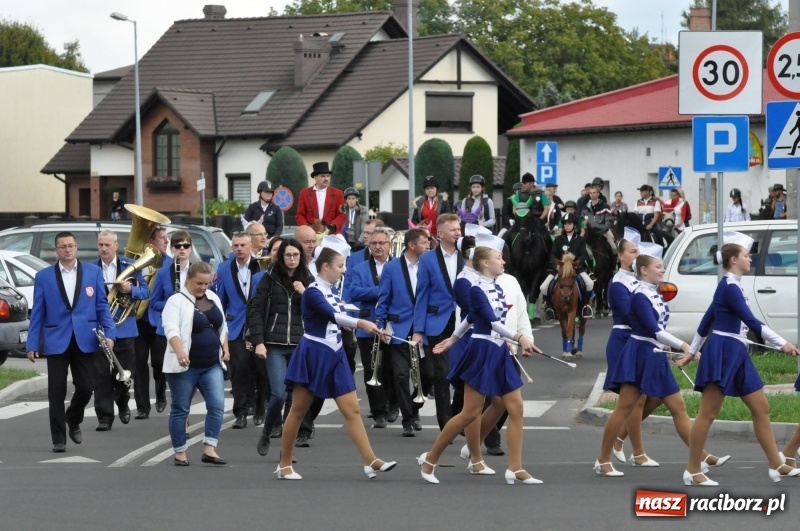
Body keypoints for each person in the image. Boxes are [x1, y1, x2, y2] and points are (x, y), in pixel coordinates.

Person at [595, 242, 728, 478]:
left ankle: (698, 459)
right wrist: (685, 345)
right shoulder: (638, 296)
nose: (663, 270)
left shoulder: (653, 293)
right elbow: (653, 330)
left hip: (655, 355)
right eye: (658, 266)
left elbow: (658, 329)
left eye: (662, 266)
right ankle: (603, 459)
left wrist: (677, 345)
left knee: (678, 406)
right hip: (639, 354)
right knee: (625, 407)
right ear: (644, 270)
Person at [418, 235, 542, 485]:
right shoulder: (475, 288)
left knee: (515, 407)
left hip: (498, 351)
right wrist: (520, 337)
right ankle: (430, 460)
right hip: (482, 351)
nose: (504, 261)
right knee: (470, 412)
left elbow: (471, 318)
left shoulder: (495, 285)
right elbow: (489, 320)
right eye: (499, 258)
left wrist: (452, 339)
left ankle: (515, 468)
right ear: (484, 263)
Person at [682, 231, 800, 485]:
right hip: (724, 352)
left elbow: (706, 320)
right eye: (746, 255)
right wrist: (783, 344)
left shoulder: (732, 286)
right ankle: (692, 470)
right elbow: (751, 321)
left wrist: (692, 351)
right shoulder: (729, 287)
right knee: (707, 414)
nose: (750, 259)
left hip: (737, 352)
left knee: (761, 407)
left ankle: (775, 464)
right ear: (734, 260)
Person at [276, 242, 396, 480]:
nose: (344, 271)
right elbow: (333, 315)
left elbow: (344, 311)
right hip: (314, 353)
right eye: (340, 266)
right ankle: (284, 464)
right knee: (298, 411)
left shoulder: (331, 290)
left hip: (336, 353)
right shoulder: (313, 291)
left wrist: (371, 323)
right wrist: (362, 324)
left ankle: (370, 461)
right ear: (326, 266)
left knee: (352, 410)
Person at [26, 232, 116, 452]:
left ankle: (73, 417)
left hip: (85, 338)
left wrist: (110, 333)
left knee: (86, 386)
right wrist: (32, 344)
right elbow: (38, 312)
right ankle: (58, 439)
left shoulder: (93, 273)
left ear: (76, 247)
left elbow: (102, 305)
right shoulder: (44, 277)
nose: (68, 249)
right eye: (63, 246)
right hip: (56, 339)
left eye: (71, 245)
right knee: (56, 391)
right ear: (56, 250)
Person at [162, 262, 230, 466]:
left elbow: (222, 326)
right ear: (187, 280)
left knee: (217, 405)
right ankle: (180, 451)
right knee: (181, 409)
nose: (203, 287)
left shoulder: (213, 298)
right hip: (185, 366)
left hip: (211, 364)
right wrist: (180, 351)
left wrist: (225, 348)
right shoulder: (175, 302)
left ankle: (210, 448)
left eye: (206, 283)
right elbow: (171, 330)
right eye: (198, 283)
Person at [250, 238, 313, 456]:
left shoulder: (308, 279)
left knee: (293, 400)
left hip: (299, 344)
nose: (293, 259)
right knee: (277, 394)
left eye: (296, 255)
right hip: (274, 344)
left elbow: (320, 309)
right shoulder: (269, 278)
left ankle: (286, 450)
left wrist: (306, 293)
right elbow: (255, 309)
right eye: (288, 255)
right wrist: (258, 341)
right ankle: (267, 433)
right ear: (281, 256)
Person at [603, 228, 656, 466]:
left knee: (655, 396)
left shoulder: (642, 280)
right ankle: (639, 453)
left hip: (644, 340)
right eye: (632, 252)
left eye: (639, 252)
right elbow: (628, 315)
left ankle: (619, 439)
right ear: (620, 256)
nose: (637, 255)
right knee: (635, 400)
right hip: (625, 340)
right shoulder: (617, 283)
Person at [374, 229, 430, 436]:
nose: (427, 246)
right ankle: (407, 419)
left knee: (427, 375)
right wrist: (381, 325)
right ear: (412, 245)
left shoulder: (428, 264)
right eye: (424, 242)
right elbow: (384, 298)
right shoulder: (391, 268)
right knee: (400, 375)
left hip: (423, 329)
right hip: (398, 329)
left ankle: (414, 409)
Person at [94, 230, 149, 431]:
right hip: (100, 330)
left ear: (116, 246)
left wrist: (130, 290)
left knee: (125, 373)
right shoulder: (91, 268)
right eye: (101, 245)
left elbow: (145, 291)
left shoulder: (129, 266)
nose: (104, 249)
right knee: (100, 375)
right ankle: (104, 418)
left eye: (108, 245)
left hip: (124, 328)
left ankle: (123, 401)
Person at [413, 213, 464, 431]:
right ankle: (446, 424)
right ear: (440, 233)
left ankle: (459, 416)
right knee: (441, 375)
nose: (458, 233)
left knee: (463, 374)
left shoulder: (468, 255)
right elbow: (421, 294)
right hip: (437, 322)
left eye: (458, 228)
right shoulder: (427, 259)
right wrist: (418, 329)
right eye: (453, 230)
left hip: (464, 320)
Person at [214, 232, 264, 429]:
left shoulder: (262, 265)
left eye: (243, 245)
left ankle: (260, 410)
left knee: (261, 370)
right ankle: (241, 412)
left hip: (258, 325)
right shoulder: (224, 268)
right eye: (235, 245)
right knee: (239, 370)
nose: (239, 249)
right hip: (235, 327)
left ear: (251, 246)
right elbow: (221, 301)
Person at [349, 226, 394, 428]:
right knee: (371, 369)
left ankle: (394, 405)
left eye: (381, 243)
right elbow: (355, 292)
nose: (377, 247)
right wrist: (384, 290)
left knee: (394, 369)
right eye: (373, 243)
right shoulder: (358, 269)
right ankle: (379, 412)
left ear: (389, 246)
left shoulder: (398, 266)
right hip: (368, 325)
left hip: (394, 325)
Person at [149, 231, 195, 413]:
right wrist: (172, 305)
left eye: (185, 246)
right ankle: (160, 392)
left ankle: (182, 405)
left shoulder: (197, 270)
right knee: (160, 362)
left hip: (190, 325)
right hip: (167, 326)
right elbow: (154, 302)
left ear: (190, 249)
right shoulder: (162, 273)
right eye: (177, 246)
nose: (182, 249)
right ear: (172, 249)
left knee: (188, 367)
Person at [134, 226, 170, 420]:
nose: (166, 241)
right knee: (139, 364)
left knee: (159, 362)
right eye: (162, 238)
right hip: (139, 320)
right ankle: (142, 406)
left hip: (159, 321)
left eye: (167, 238)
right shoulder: (137, 261)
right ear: (151, 242)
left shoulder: (171, 263)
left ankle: (161, 389)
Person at [540, 212, 594, 322]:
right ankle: (549, 307)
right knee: (543, 287)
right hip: (560, 270)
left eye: (569, 223)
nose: (567, 226)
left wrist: (577, 263)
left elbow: (583, 254)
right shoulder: (558, 239)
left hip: (576, 269)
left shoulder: (580, 240)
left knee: (589, 283)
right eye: (565, 224)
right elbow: (553, 254)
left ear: (574, 225)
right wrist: (556, 264)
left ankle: (585, 307)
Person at [295, 162, 346, 234]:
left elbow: (342, 214)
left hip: (332, 232)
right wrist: (307, 227)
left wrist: (333, 225)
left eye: (328, 176)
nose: (326, 179)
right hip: (311, 232)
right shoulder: (304, 193)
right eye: (323, 176)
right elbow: (300, 215)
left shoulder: (338, 193)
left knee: (344, 245)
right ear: (315, 178)